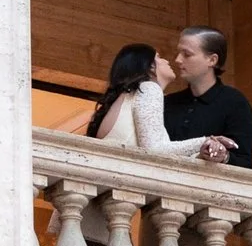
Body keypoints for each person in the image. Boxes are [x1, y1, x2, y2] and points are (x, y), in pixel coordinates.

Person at [87, 42, 232, 159]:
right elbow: (154, 149)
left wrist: (202, 152)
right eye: (158, 57)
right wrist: (204, 141)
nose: (167, 61)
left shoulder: (125, 97)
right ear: (150, 67)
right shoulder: (148, 89)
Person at [162, 26, 252, 169]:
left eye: (186, 54)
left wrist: (224, 156)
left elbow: (245, 162)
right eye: (179, 53)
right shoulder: (169, 102)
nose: (178, 60)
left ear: (212, 60)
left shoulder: (235, 102)